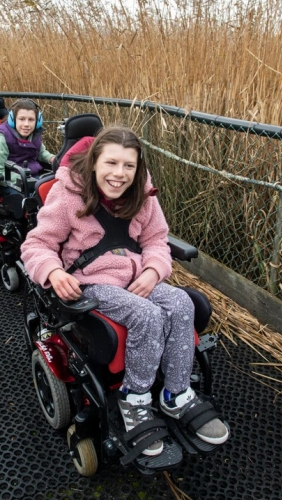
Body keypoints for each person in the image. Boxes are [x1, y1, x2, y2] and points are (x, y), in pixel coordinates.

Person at [21, 127, 229, 457]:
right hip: (92, 281)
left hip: (136, 276)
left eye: (128, 166)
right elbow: (37, 244)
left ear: (138, 168)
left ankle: (175, 394)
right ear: (93, 163)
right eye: (111, 163)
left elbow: (156, 240)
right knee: (145, 314)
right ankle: (135, 399)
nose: (119, 175)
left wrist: (153, 271)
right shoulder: (68, 195)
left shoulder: (143, 196)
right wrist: (54, 271)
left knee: (180, 302)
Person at [0, 98, 54, 195]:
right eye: (22, 119)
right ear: (13, 119)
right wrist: (23, 179)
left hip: (32, 178)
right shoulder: (1, 137)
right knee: (35, 200)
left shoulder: (35, 134)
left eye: (31, 120)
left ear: (38, 121)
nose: (26, 124)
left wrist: (52, 158)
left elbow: (41, 152)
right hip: (10, 182)